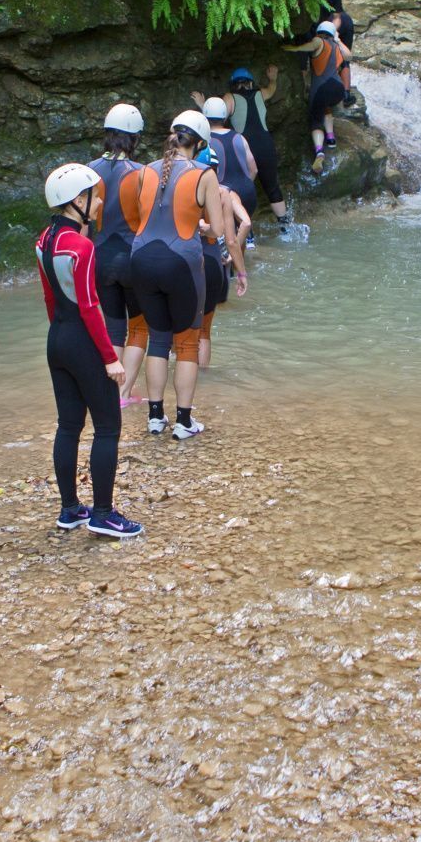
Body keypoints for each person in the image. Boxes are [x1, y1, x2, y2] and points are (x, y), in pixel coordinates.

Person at [118, 111, 248, 439]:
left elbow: (136, 219)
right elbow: (216, 230)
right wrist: (200, 224)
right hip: (181, 263)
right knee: (187, 342)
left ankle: (155, 417)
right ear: (201, 143)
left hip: (141, 260)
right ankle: (184, 422)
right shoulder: (204, 173)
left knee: (158, 340)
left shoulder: (144, 171)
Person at [37, 163, 141, 539]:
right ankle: (102, 513)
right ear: (78, 200)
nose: (99, 205)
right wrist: (110, 358)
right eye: (96, 198)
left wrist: (62, 340)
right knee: (108, 427)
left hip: (57, 340)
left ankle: (69, 509)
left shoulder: (43, 240)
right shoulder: (81, 246)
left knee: (68, 425)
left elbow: (52, 299)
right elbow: (90, 306)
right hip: (82, 340)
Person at [87, 103, 149, 401]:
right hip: (132, 257)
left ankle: (111, 390)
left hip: (99, 259)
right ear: (134, 139)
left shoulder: (88, 170)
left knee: (113, 328)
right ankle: (124, 393)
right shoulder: (141, 173)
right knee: (139, 327)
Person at [198, 67, 290, 231]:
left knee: (239, 186)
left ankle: (245, 229)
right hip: (266, 145)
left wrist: (202, 106)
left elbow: (218, 116)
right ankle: (285, 227)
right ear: (250, 83)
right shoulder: (261, 94)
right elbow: (272, 89)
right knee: (272, 186)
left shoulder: (230, 97)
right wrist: (273, 79)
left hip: (245, 145)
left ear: (233, 84)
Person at [191, 141, 251, 370]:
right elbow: (232, 240)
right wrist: (242, 272)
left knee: (181, 326)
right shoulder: (222, 194)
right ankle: (202, 382)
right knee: (204, 331)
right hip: (212, 260)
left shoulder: (180, 187)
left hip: (185, 259)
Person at [286, 19, 351, 164]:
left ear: (320, 32)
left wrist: (295, 49)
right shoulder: (336, 46)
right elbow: (349, 56)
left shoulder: (319, 40)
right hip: (338, 90)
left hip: (322, 89)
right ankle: (331, 138)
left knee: (315, 120)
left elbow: (313, 45)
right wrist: (338, 40)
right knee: (326, 107)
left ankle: (319, 152)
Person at [201, 97, 260, 253]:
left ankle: (232, 269)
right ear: (225, 116)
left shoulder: (205, 142)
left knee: (228, 240)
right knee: (241, 232)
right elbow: (254, 170)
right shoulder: (239, 136)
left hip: (226, 194)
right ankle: (247, 243)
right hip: (248, 192)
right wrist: (244, 185)